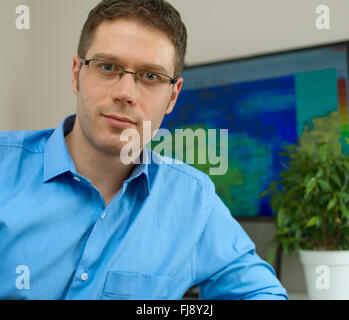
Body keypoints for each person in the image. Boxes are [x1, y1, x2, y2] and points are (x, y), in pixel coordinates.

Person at [0, 0, 288, 300]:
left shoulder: (192, 198)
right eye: (108, 67)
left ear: (173, 97)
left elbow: (261, 293)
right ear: (76, 74)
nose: (125, 93)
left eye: (151, 76)